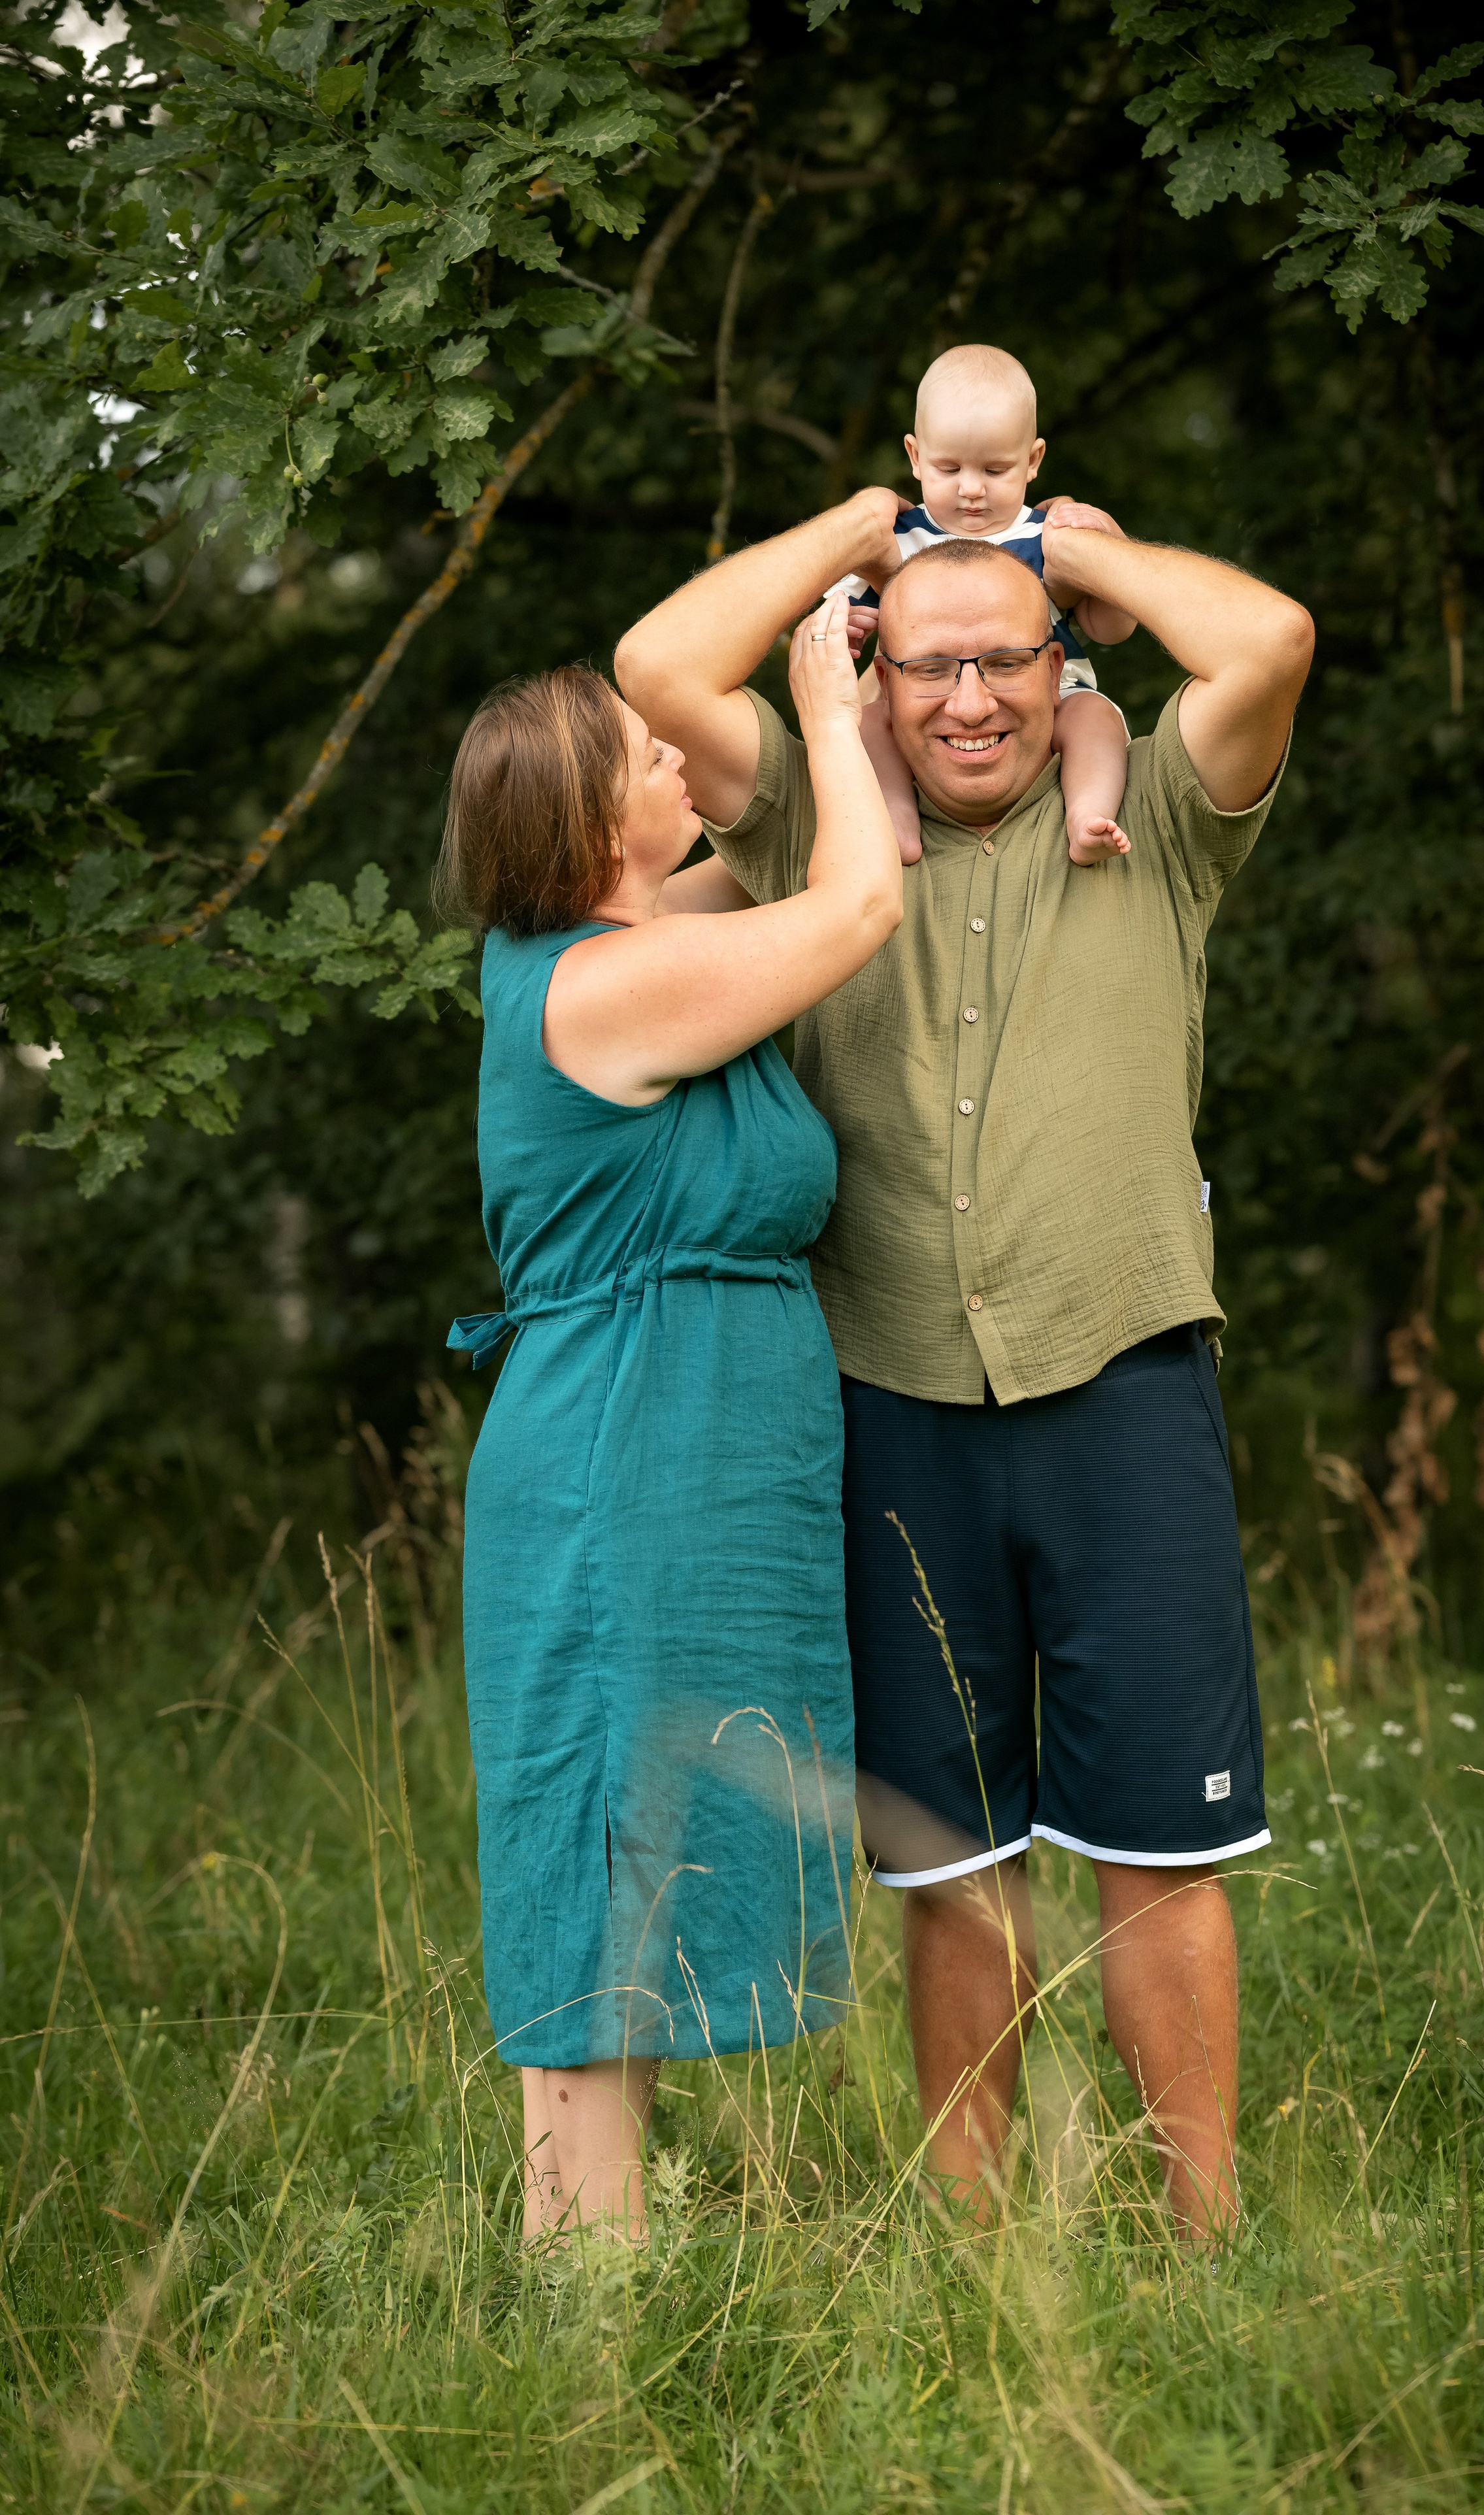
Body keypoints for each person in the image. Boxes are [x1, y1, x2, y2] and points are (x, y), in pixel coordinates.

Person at [616, 488, 1313, 2240]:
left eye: (1006, 660)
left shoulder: (1152, 809)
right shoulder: (812, 829)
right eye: (929, 668)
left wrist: (1064, 555)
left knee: (1160, 1848)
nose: (972, 700)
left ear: (1059, 658)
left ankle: (1202, 2239)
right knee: (953, 1859)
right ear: (875, 676)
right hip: (894, 1406)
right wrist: (870, 530)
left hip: (1125, 1384)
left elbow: (1273, 641)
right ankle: (979, 2252)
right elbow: (656, 665)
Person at [438, 597, 900, 2240]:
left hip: (694, 1452)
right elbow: (848, 902)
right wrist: (822, 717)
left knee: (662, 1831)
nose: (674, 750)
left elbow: (819, 871)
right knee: (596, 1835)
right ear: (589, 820)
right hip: (616, 1461)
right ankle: (580, 2296)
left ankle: (608, 2264)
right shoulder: (593, 991)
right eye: (648, 750)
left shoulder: (644, 946)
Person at [828, 344, 1134, 869]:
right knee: (867, 722)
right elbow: (835, 611)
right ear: (915, 456)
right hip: (919, 695)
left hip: (1054, 689)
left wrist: (1109, 544)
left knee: (1096, 715)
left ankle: (1088, 814)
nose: (971, 490)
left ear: (1034, 460)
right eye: (949, 468)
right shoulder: (897, 538)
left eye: (995, 469)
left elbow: (1111, 628)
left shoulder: (1050, 533)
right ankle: (895, 820)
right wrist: (844, 626)